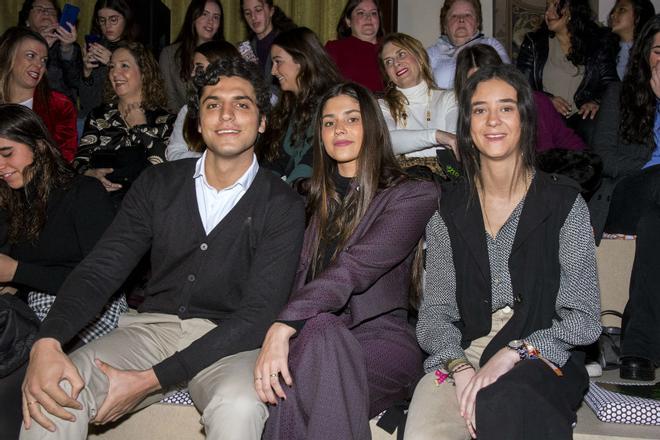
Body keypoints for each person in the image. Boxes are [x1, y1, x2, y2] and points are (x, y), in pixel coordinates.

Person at [20, 57, 305, 440]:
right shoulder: (159, 184)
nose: (226, 115)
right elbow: (101, 268)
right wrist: (48, 340)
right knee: (57, 386)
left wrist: (149, 381)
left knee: (239, 407)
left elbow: (257, 315)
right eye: (212, 104)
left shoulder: (281, 202)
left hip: (230, 345)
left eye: (242, 104)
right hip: (151, 330)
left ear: (263, 122)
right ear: (198, 120)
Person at [404, 64, 601, 440]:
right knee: (424, 431)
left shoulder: (563, 203)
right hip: (465, 349)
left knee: (506, 405)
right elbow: (434, 317)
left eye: (506, 108)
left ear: (525, 119)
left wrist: (515, 352)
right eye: (480, 110)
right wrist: (460, 368)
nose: (492, 120)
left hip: (540, 350)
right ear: (468, 125)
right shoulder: (448, 210)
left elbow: (585, 318)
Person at [255, 82, 439, 440]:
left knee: (317, 340)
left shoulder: (412, 194)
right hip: (307, 342)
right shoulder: (306, 198)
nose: (338, 129)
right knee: (310, 356)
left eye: (351, 119)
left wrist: (283, 325)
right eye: (328, 122)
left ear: (371, 126)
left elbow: (355, 268)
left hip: (379, 341)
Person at [0, 104, 126, 440]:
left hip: (88, 307)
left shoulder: (83, 193)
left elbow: (104, 280)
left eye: (7, 153)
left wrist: (18, 272)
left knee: (18, 375)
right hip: (28, 312)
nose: (0, 166)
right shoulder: (12, 201)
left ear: (39, 146)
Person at [589, 14, 660, 381]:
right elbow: (604, 158)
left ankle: (639, 346)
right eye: (659, 50)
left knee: (656, 225)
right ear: (646, 53)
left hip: (654, 212)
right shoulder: (620, 94)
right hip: (627, 196)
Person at [76, 42, 175, 205]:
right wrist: (91, 174)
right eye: (112, 67)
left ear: (144, 72)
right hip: (99, 200)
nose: (115, 73)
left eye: (124, 66)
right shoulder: (100, 116)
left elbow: (167, 170)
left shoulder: (164, 120)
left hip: (145, 204)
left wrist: (141, 127)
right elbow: (79, 161)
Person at [517, 0, 618, 144]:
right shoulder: (534, 42)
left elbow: (612, 84)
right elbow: (521, 85)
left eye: (556, 6)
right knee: (543, 124)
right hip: (547, 115)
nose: (548, 13)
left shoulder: (597, 42)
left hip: (583, 117)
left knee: (593, 127)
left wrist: (595, 101)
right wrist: (547, 100)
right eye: (547, 7)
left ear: (572, 9)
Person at [454, 43, 585, 152]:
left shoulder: (536, 102)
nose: (484, 88)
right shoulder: (465, 116)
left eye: (488, 77)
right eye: (474, 82)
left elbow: (568, 141)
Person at [261, 27, 343, 183]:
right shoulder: (289, 103)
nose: (272, 71)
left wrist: (286, 192)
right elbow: (278, 159)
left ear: (301, 60)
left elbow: (314, 159)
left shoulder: (334, 102)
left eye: (278, 62)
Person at [378, 32, 458, 162]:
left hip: (446, 179)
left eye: (401, 54)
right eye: (388, 62)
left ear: (419, 57)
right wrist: (437, 136)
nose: (396, 63)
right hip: (401, 179)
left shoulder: (449, 98)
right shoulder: (383, 106)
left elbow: (455, 139)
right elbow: (387, 143)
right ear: (388, 75)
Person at [0, 27, 77, 162]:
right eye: (31, 56)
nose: (39, 65)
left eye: (43, 60)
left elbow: (64, 159)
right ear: (9, 56)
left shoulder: (59, 105)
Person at [165, 40, 241, 161]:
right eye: (194, 68)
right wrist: (212, 160)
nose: (193, 74)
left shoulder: (242, 109)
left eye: (199, 68)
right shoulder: (188, 110)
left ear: (221, 68)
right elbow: (173, 154)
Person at [79, 0, 139, 130]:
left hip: (126, 115)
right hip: (96, 117)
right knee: (81, 121)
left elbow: (142, 94)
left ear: (126, 19)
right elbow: (87, 104)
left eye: (113, 20)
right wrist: (87, 73)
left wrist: (112, 63)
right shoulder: (96, 47)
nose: (107, 26)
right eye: (102, 20)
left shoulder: (137, 50)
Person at [426, 0, 510, 90]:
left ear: (477, 23)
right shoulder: (432, 53)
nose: (461, 19)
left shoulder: (491, 45)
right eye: (454, 16)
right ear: (445, 26)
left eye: (468, 15)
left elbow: (507, 81)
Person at [159, 0, 224, 113]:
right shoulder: (169, 55)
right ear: (193, 18)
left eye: (216, 17)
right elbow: (168, 100)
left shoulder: (226, 54)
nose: (210, 22)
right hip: (181, 123)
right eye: (205, 14)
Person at [18, 0, 82, 105]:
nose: (46, 13)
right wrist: (40, 48)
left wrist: (66, 49)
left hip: (60, 111)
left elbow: (76, 83)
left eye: (51, 11)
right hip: (24, 107)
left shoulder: (69, 45)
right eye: (39, 9)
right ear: (27, 20)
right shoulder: (15, 43)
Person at [325, 0, 385, 93]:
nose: (368, 17)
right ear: (348, 21)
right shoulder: (335, 49)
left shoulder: (392, 49)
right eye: (361, 13)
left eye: (373, 13)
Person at [238, 0, 296, 88]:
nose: (253, 17)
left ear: (271, 11)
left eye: (258, 10)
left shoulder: (289, 43)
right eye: (248, 13)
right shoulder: (244, 49)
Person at [608, 0, 656, 80]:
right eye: (613, 11)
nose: (612, 15)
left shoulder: (649, 56)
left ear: (638, 17)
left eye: (621, 10)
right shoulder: (607, 49)